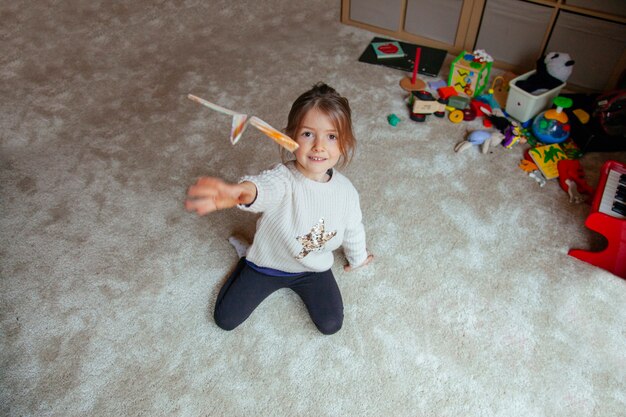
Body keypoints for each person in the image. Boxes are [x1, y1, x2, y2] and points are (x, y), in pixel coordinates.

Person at [185, 83, 373, 335]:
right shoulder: (283, 177)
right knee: (225, 319)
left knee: (331, 325)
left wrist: (358, 259)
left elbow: (353, 229)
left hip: (312, 269)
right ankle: (245, 256)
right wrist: (240, 192)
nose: (319, 146)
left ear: (344, 143)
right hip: (266, 265)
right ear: (290, 137)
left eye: (331, 136)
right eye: (308, 134)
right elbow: (263, 188)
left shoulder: (346, 191)